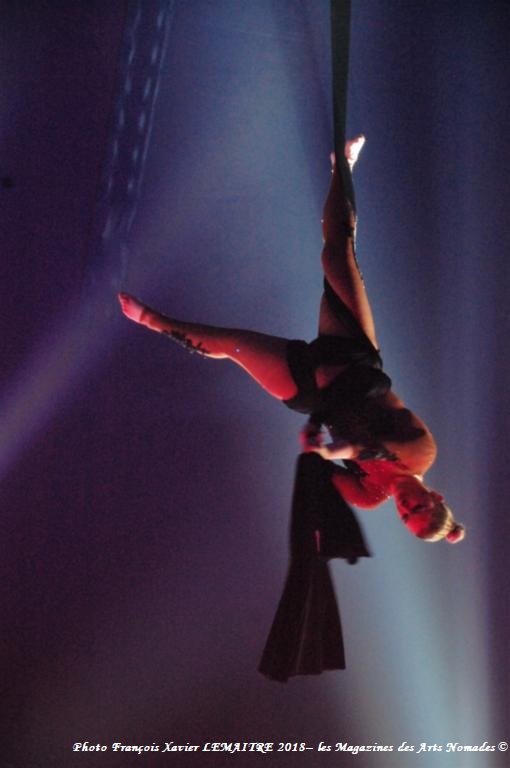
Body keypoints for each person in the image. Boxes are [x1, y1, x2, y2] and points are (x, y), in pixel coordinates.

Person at [119, 136, 464, 544]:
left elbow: (317, 478)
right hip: (353, 359)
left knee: (234, 345)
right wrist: (332, 452)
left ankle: (153, 320)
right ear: (436, 496)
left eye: (406, 517)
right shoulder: (422, 454)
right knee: (338, 254)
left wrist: (313, 458)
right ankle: (342, 167)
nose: (406, 507)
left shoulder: (368, 496)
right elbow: (368, 446)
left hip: (311, 390)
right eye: (419, 507)